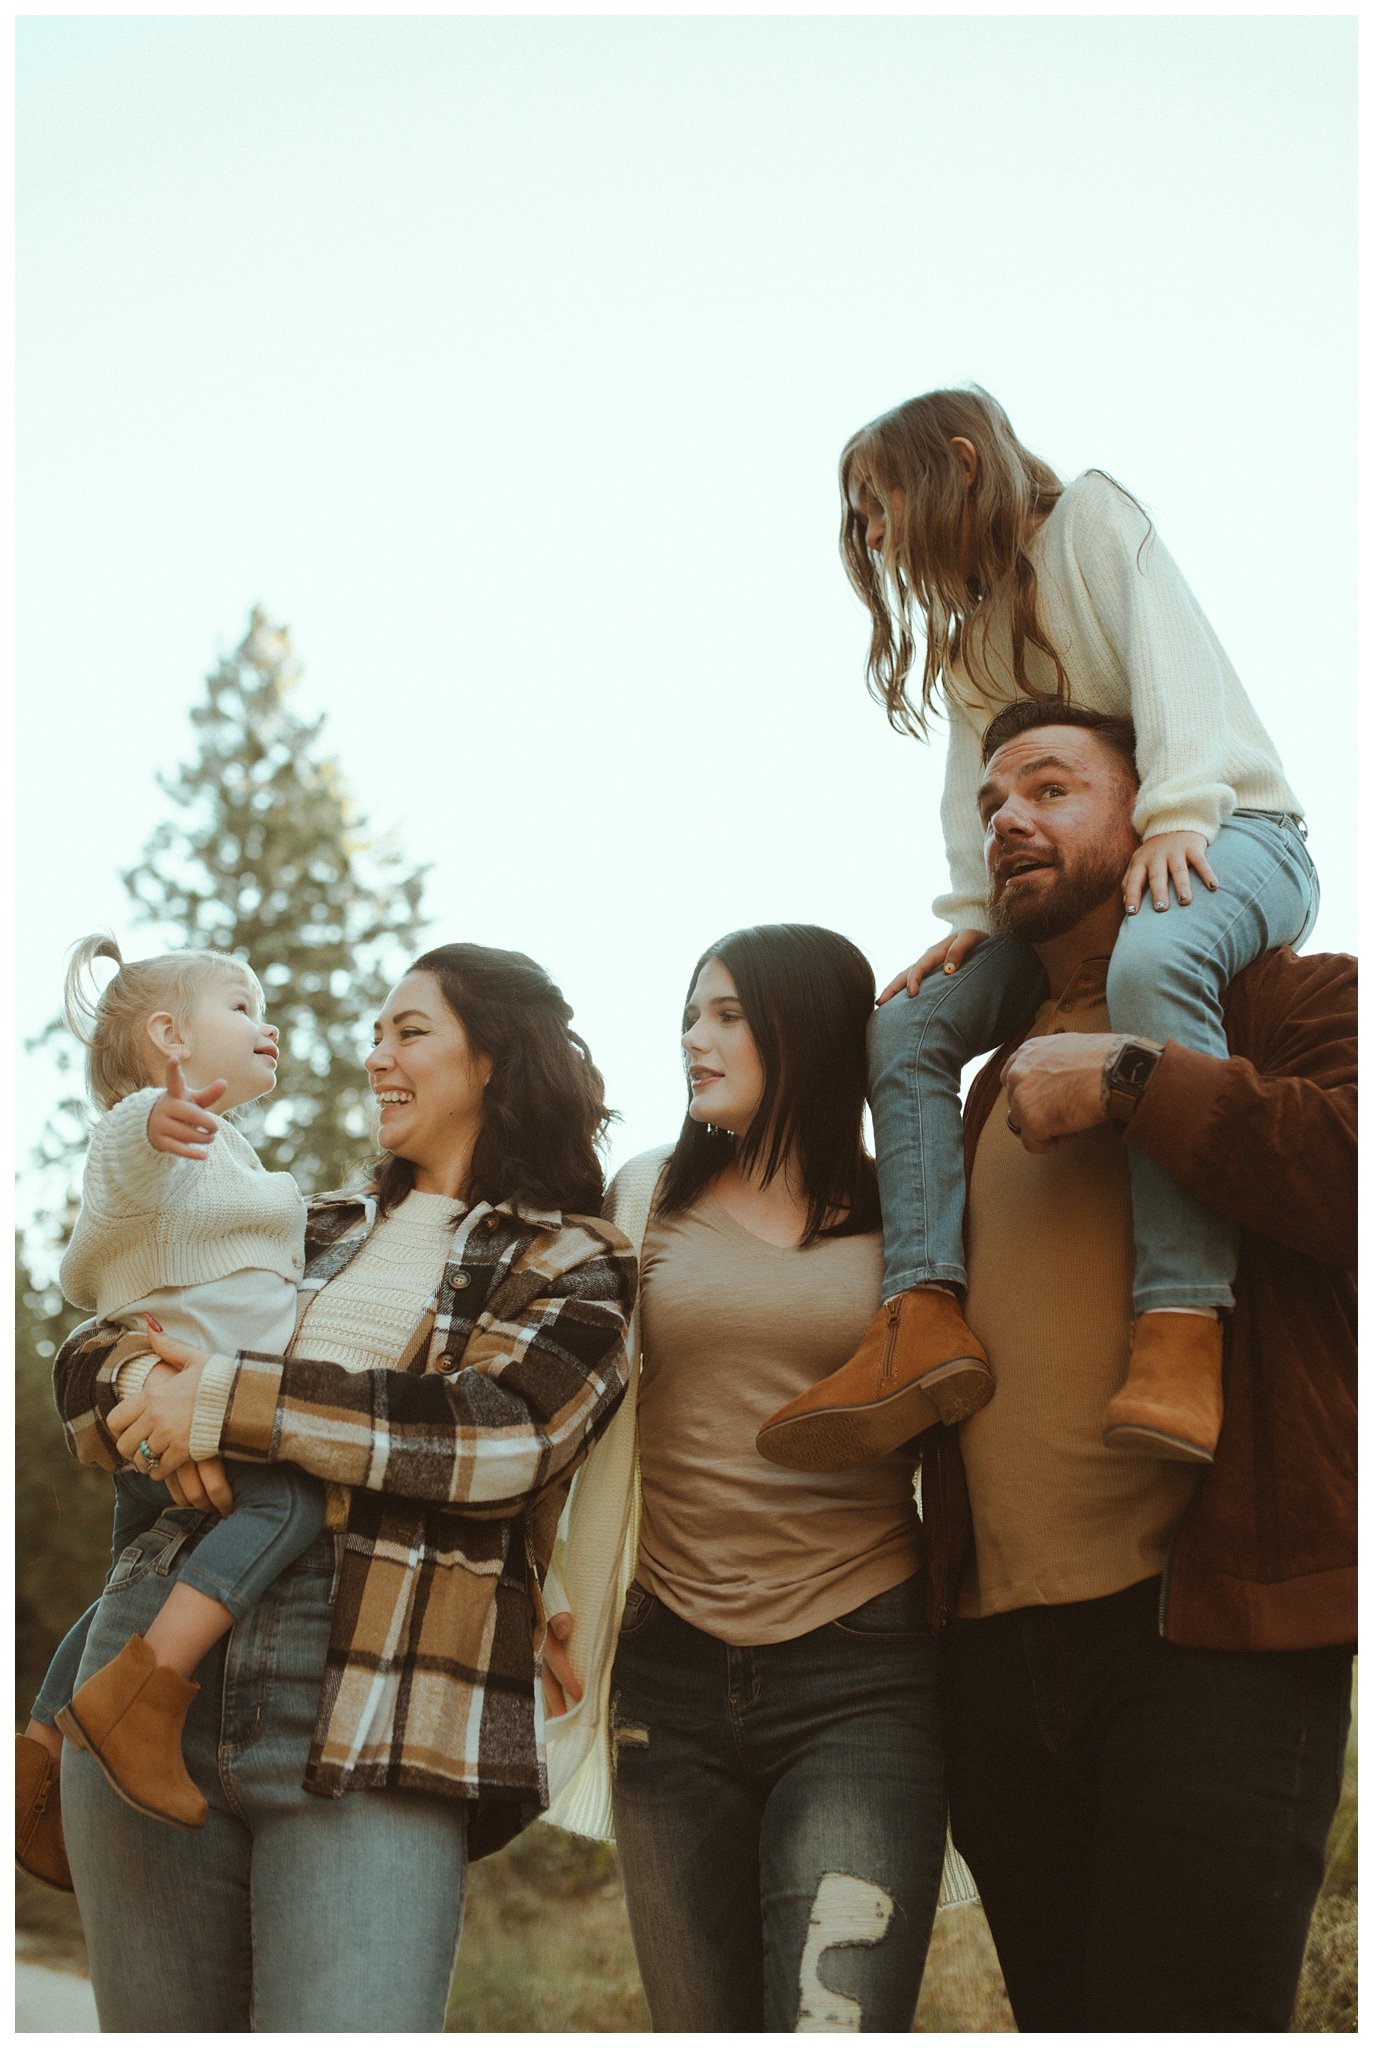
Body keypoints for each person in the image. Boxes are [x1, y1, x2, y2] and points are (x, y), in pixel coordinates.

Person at [44, 943, 636, 2034]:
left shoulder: (571, 1262)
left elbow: (498, 1438)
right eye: (375, 1034)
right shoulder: (297, 1222)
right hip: (145, 1667)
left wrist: (224, 1397)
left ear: (496, 1058)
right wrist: (137, 1377)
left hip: (383, 1695)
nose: (374, 1057)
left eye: (408, 1031)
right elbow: (90, 1357)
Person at [758, 387, 1316, 1473]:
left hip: (1228, 824)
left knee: (1157, 952)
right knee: (908, 1026)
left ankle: (1179, 1322)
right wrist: (971, 919)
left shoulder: (1091, 521)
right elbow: (972, 798)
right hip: (1081, 874)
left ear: (960, 463)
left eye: (878, 503)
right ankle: (919, 1314)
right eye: (859, 517)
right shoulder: (971, 650)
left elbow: (1178, 675)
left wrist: (1174, 815)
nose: (870, 534)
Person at [925, 703, 1353, 2031]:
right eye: (993, 797)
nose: (1008, 817)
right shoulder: (979, 1079)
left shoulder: (1291, 998)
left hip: (1209, 1642)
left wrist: (1134, 1079)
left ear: (1160, 809)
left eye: (1051, 786)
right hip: (992, 1658)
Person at [539, 925, 952, 2034]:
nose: (692, 1038)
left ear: (805, 1031)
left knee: (835, 2021)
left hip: (861, 1670)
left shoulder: (904, 1212)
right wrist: (547, 1585)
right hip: (665, 1673)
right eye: (689, 1013)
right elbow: (567, 1404)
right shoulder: (645, 1198)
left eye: (725, 1014)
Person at [18, 934, 317, 1872]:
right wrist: (149, 1120)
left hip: (176, 1416)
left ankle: (39, 1753)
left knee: (133, 1577)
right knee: (294, 1501)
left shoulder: (222, 1149)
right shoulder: (159, 1136)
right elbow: (122, 1159)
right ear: (168, 1037)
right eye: (240, 1005)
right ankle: (147, 1696)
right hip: (191, 1409)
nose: (265, 1024)